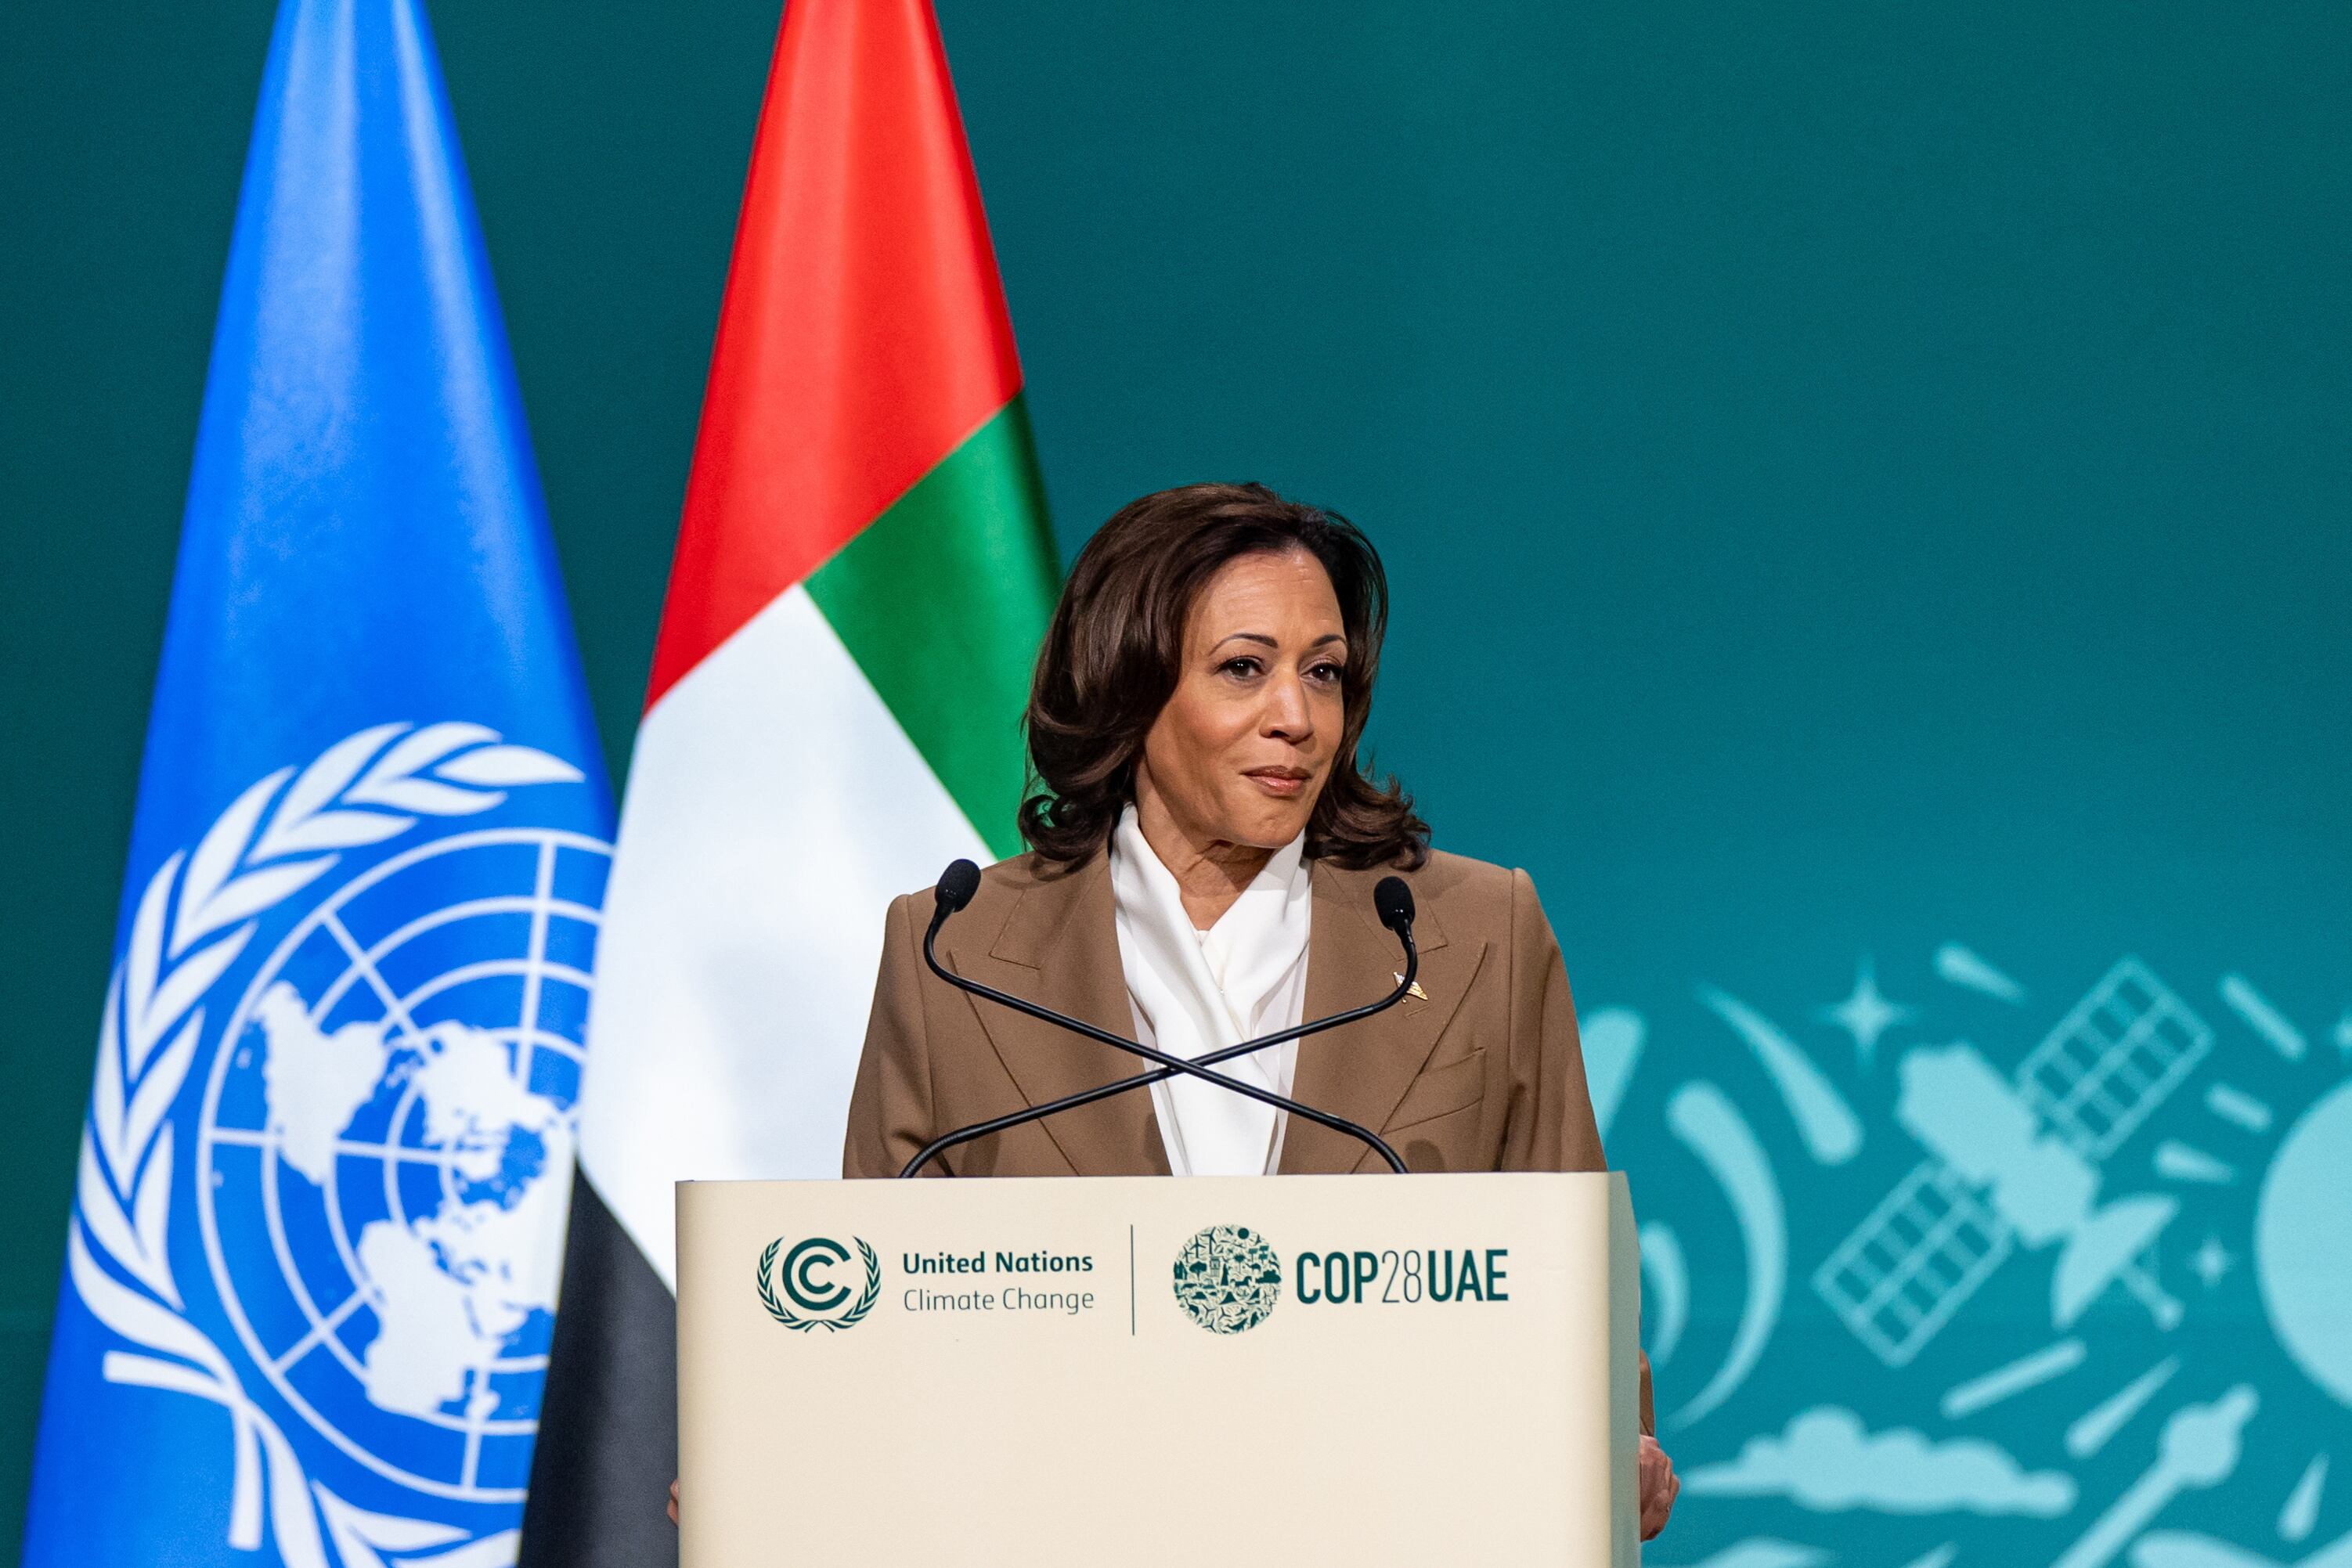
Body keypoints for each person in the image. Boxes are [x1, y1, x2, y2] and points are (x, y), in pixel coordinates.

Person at [839, 481, 1679, 1541]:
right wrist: (799, 1450)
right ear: (1129, 684)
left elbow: (1573, 1277)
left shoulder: (1473, 932)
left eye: (1324, 672)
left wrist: (1614, 1443)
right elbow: (870, 1313)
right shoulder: (955, 950)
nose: (1298, 717)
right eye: (1245, 667)